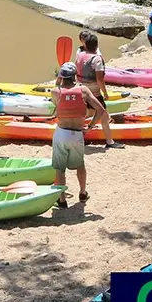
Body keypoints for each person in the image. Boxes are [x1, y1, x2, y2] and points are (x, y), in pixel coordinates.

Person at [51, 62, 105, 209]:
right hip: (77, 134)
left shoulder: (56, 92)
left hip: (62, 132)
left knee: (60, 169)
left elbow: (56, 100)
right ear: (74, 76)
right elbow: (100, 110)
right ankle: (82, 192)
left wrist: (58, 80)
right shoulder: (83, 90)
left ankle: (61, 200)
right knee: (80, 164)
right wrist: (90, 126)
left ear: (62, 77)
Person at [74, 32, 121, 149]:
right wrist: (105, 93)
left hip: (81, 90)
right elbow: (100, 79)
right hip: (94, 92)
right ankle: (109, 142)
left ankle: (78, 139)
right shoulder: (97, 59)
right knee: (104, 117)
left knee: (83, 115)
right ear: (96, 45)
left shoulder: (79, 55)